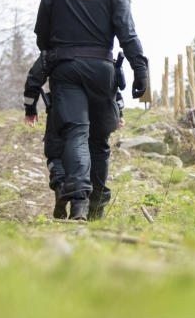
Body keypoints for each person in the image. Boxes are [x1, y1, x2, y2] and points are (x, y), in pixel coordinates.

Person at [31, 0, 147, 221]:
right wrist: (140, 69)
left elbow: (41, 37)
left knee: (75, 132)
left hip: (66, 68)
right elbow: (127, 35)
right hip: (101, 70)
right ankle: (95, 209)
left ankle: (78, 204)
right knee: (99, 140)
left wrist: (58, 55)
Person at [24, 52, 126, 219]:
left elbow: (34, 78)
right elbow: (111, 88)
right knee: (92, 153)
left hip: (61, 110)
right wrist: (119, 111)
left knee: (55, 154)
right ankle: (90, 207)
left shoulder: (56, 50)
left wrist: (30, 107)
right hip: (95, 114)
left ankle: (61, 186)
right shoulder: (100, 55)